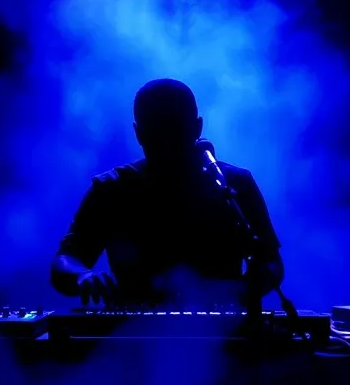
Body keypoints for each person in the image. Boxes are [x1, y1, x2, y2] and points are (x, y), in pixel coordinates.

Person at [51, 79, 284, 308]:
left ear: (197, 127)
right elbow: (65, 260)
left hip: (223, 326)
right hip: (134, 330)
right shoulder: (110, 189)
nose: (166, 141)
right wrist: (82, 276)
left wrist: (241, 291)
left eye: (175, 128)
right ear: (139, 133)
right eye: (156, 130)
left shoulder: (234, 184)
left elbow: (271, 262)